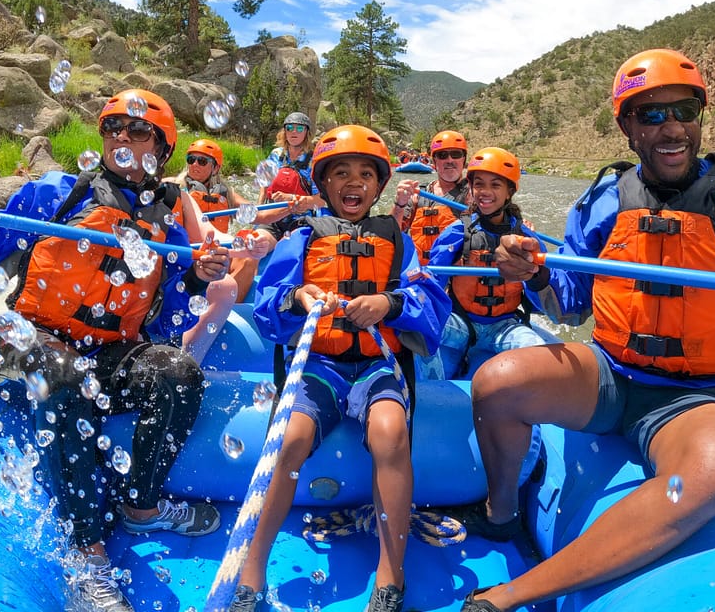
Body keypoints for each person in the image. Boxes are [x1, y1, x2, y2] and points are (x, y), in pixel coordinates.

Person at [460, 49, 715, 611]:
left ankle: (507, 597)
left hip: (692, 395)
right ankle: (502, 515)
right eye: (651, 115)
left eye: (684, 110)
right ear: (626, 128)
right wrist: (534, 272)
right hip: (609, 374)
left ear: (699, 118)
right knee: (498, 381)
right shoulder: (603, 200)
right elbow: (569, 306)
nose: (671, 127)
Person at [0, 89, 227, 612]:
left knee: (178, 373)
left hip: (107, 349)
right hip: (25, 337)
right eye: (113, 127)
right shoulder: (58, 193)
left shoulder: (168, 221)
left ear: (161, 151)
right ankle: (87, 558)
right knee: (64, 371)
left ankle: (141, 507)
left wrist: (195, 277)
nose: (122, 136)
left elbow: (163, 317)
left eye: (137, 130)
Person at [232, 125, 451, 612]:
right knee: (289, 439)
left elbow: (431, 303)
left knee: (390, 432)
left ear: (378, 186)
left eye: (365, 175)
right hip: (322, 365)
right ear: (325, 184)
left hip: (377, 367)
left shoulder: (399, 240)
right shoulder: (303, 237)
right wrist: (298, 296)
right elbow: (268, 305)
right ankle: (251, 569)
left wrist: (388, 304)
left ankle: (390, 574)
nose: (354, 182)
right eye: (341, 174)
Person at [425, 147, 548, 380]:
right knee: (420, 329)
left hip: (505, 327)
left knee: (540, 356)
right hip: (460, 324)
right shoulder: (458, 231)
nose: (485, 192)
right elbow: (434, 282)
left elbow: (542, 304)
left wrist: (536, 275)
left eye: (495, 185)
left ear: (509, 191)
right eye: (479, 184)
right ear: (471, 187)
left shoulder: (527, 240)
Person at [177, 138, 277, 302]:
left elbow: (260, 215)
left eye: (202, 161)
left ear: (215, 167)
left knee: (249, 259)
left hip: (219, 251)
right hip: (189, 253)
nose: (195, 164)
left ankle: (229, 307)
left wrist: (292, 207)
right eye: (191, 159)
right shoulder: (176, 188)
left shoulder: (227, 194)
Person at [392, 130, 471, 264]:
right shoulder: (418, 195)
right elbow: (392, 233)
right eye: (442, 155)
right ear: (434, 161)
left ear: (463, 159)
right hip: (422, 276)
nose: (449, 160)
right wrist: (399, 204)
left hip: (453, 277)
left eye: (456, 154)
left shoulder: (474, 195)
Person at [259, 110, 324, 220]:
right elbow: (264, 187)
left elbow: (321, 201)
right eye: (289, 128)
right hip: (272, 217)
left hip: (301, 220)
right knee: (259, 237)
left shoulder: (313, 162)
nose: (294, 132)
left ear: (306, 133)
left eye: (299, 128)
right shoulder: (275, 155)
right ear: (285, 132)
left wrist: (292, 198)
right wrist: (259, 211)